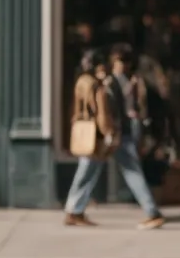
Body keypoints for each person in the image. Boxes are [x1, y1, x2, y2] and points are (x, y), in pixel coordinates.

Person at [63, 45, 166, 230]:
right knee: (113, 170)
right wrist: (112, 133)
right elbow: (105, 111)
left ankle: (74, 210)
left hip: (108, 134)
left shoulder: (107, 81)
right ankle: (151, 212)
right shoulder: (105, 83)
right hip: (111, 134)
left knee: (90, 169)